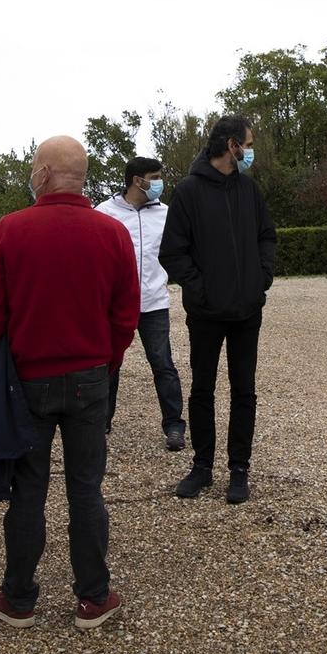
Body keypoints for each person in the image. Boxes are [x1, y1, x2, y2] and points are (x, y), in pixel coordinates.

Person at [0, 135, 138, 630]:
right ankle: (93, 595)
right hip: (90, 377)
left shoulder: (12, 229)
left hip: (28, 379)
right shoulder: (111, 234)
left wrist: (1, 366)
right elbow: (125, 313)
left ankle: (19, 596)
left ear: (43, 173)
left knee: (28, 490)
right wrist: (105, 362)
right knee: (87, 489)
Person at [158, 115, 276, 505]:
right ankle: (202, 467)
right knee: (202, 390)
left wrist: (262, 277)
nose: (250, 150)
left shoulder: (249, 189)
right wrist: (200, 289)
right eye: (249, 143)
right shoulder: (189, 192)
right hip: (207, 313)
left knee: (245, 391)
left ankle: (239, 469)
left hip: (246, 311)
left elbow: (265, 236)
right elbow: (172, 252)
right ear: (231, 145)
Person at [95, 156, 186, 450]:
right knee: (109, 364)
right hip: (114, 304)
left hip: (154, 302)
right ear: (138, 180)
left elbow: (181, 251)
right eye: (155, 177)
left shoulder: (167, 214)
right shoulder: (104, 213)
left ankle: (174, 426)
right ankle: (100, 422)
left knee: (163, 364)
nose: (160, 183)